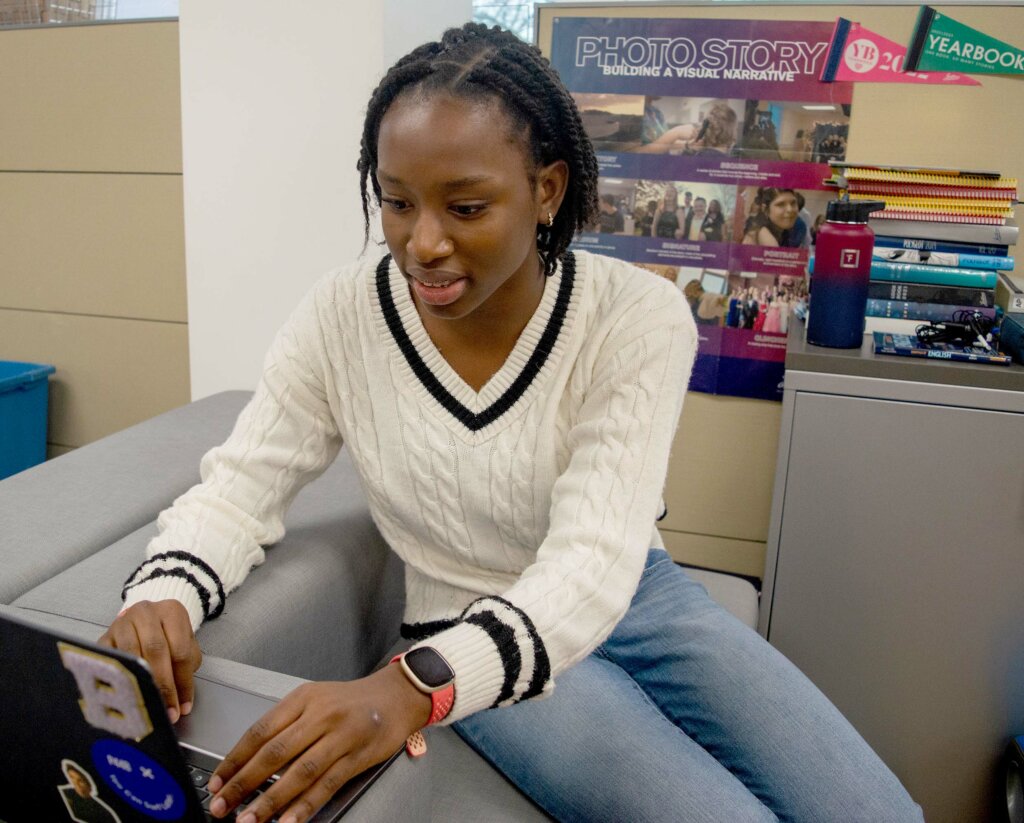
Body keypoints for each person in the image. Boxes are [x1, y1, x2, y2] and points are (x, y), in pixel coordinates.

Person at [99, 23, 923, 823]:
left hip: (638, 601)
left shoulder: (638, 316)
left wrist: (408, 688)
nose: (422, 243)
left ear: (547, 190)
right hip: (460, 624)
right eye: (395, 202)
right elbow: (244, 485)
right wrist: (164, 589)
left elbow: (594, 560)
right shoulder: (341, 317)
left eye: (465, 207)